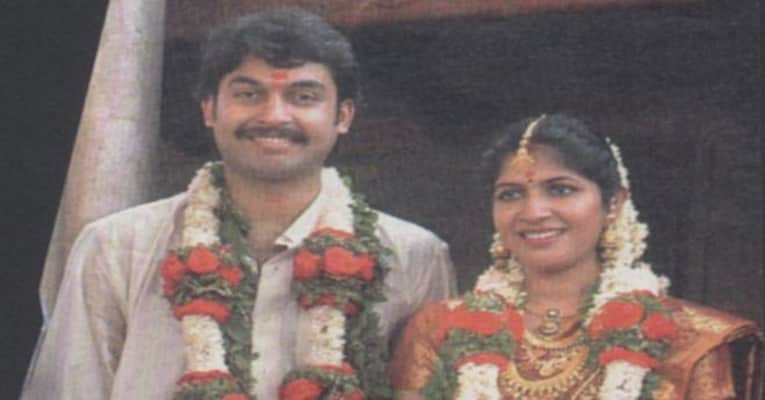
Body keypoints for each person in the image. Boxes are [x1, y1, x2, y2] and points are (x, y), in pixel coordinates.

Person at [21, 8, 455, 400]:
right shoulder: (116, 248)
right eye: (249, 94)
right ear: (210, 109)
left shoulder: (414, 258)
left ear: (343, 116)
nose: (274, 116)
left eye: (303, 97)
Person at [389, 114, 763, 399]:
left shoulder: (692, 342)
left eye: (561, 189)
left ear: (614, 202)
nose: (533, 212)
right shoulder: (438, 332)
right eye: (511, 194)